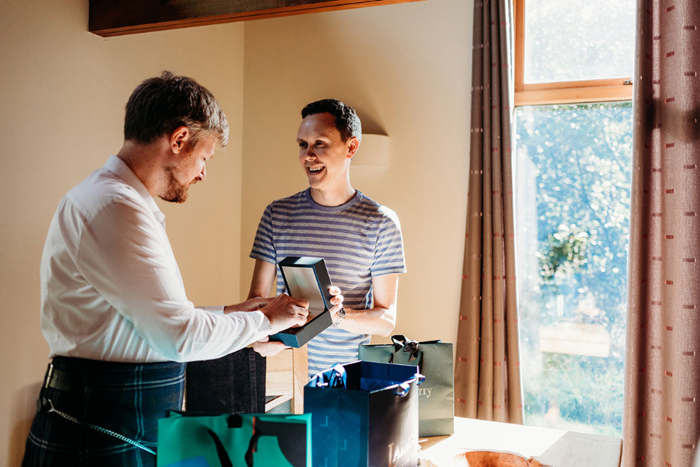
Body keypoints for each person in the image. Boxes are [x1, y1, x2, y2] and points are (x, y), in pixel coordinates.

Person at [22, 71, 317, 466]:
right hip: (99, 428)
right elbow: (177, 336)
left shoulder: (114, 200)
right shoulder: (115, 208)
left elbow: (148, 321)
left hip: (114, 416)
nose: (202, 174)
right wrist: (265, 321)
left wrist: (237, 312)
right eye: (204, 158)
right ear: (178, 140)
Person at [248, 99, 406, 377]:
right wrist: (261, 338)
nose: (308, 155)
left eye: (320, 143)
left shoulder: (381, 222)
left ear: (351, 147)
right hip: (283, 378)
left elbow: (385, 320)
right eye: (302, 145)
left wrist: (337, 315)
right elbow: (257, 302)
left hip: (342, 383)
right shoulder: (276, 214)